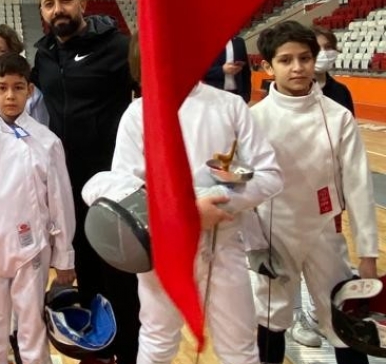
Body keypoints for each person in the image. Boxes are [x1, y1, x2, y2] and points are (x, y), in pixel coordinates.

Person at [82, 33, 283, 364]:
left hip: (223, 246)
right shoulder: (138, 114)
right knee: (158, 341)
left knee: (240, 348)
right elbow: (126, 187)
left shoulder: (230, 106)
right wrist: (186, 214)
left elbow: (270, 175)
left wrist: (217, 201)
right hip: (163, 248)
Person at [251, 20, 378, 364]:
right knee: (270, 318)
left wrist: (368, 253)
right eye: (286, 60)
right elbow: (244, 187)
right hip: (274, 233)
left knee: (342, 318)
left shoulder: (337, 117)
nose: (297, 67)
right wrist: (252, 244)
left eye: (304, 58)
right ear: (268, 66)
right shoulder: (255, 119)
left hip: (324, 229)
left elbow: (358, 184)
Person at [30, 0, 137, 364]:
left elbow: (149, 101)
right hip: (65, 183)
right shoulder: (43, 54)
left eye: (65, 0)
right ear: (42, 11)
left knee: (119, 274)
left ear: (82, 3)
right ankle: (98, 349)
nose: (58, 9)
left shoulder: (118, 47)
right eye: (49, 4)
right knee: (85, 269)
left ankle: (128, 351)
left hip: (112, 183)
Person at [0, 52, 75, 364]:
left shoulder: (47, 142)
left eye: (18, 87)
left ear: (30, 91)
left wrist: (65, 256)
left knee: (31, 330)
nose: (10, 95)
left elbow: (61, 202)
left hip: (32, 247)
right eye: (2, 87)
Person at [287, 26, 356, 349]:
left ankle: (323, 311)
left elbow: (348, 144)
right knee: (290, 260)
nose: (323, 54)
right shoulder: (285, 94)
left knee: (330, 259)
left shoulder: (340, 93)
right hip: (293, 193)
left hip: (328, 191)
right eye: (318, 48)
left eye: (328, 47)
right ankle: (296, 316)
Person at [203, 36, 252, 103]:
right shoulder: (207, 42)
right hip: (214, 94)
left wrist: (247, 95)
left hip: (237, 95)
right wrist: (222, 70)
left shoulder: (239, 41)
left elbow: (246, 71)